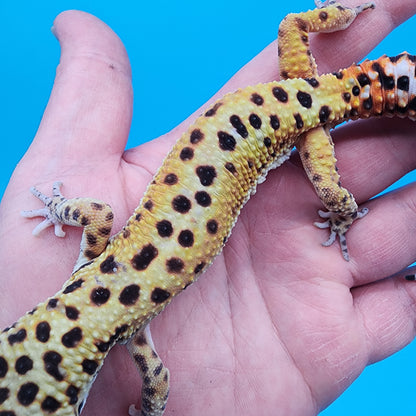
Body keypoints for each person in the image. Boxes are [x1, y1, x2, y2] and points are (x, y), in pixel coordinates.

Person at [1, 2, 416, 414]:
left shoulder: (134, 337)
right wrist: (58, 208)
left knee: (331, 190)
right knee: (292, 25)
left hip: (303, 120)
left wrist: (150, 410)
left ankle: (343, 209)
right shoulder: (93, 265)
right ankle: (342, 11)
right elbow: (98, 215)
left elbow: (159, 388)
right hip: (291, 101)